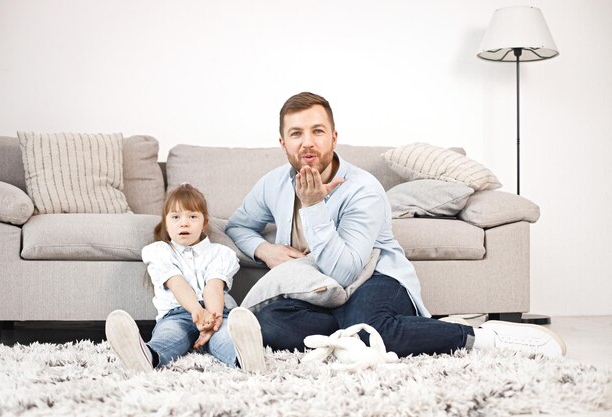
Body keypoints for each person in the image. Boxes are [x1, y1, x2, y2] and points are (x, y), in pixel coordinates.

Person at [225, 91, 566, 358]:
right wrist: (264, 250)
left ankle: (480, 336)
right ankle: (360, 338)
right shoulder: (273, 183)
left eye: (317, 131)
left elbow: (344, 273)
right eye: (296, 133)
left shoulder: (364, 189)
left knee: (371, 328)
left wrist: (314, 207)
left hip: (374, 280)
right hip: (318, 291)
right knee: (265, 323)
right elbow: (237, 226)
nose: (307, 142)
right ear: (283, 143)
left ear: (334, 137)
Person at [106, 183, 266, 372]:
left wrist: (211, 321)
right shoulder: (159, 251)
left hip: (216, 314)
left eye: (192, 216)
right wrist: (197, 312)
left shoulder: (221, 253)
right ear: (166, 222)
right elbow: (177, 284)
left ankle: (245, 358)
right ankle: (145, 356)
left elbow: (213, 287)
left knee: (224, 338)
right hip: (176, 315)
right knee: (169, 336)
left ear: (204, 222)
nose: (184, 223)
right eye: (175, 217)